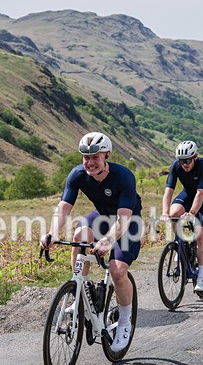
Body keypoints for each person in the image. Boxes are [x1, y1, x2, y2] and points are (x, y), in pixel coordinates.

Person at [40, 132, 142, 351]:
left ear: (107, 155)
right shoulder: (77, 174)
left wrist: (108, 240)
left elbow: (123, 218)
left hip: (127, 221)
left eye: (95, 157)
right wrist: (52, 234)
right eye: (85, 157)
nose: (89, 162)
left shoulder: (123, 177)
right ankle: (80, 288)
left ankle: (125, 320)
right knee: (79, 237)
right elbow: (64, 208)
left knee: (117, 270)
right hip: (101, 216)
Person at [161, 140, 203, 291]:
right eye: (181, 161)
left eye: (187, 160)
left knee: (200, 236)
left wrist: (192, 213)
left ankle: (201, 277)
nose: (184, 164)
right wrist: (165, 212)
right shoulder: (176, 166)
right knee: (173, 214)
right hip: (188, 194)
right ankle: (181, 244)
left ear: (195, 157)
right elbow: (169, 191)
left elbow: (201, 193)